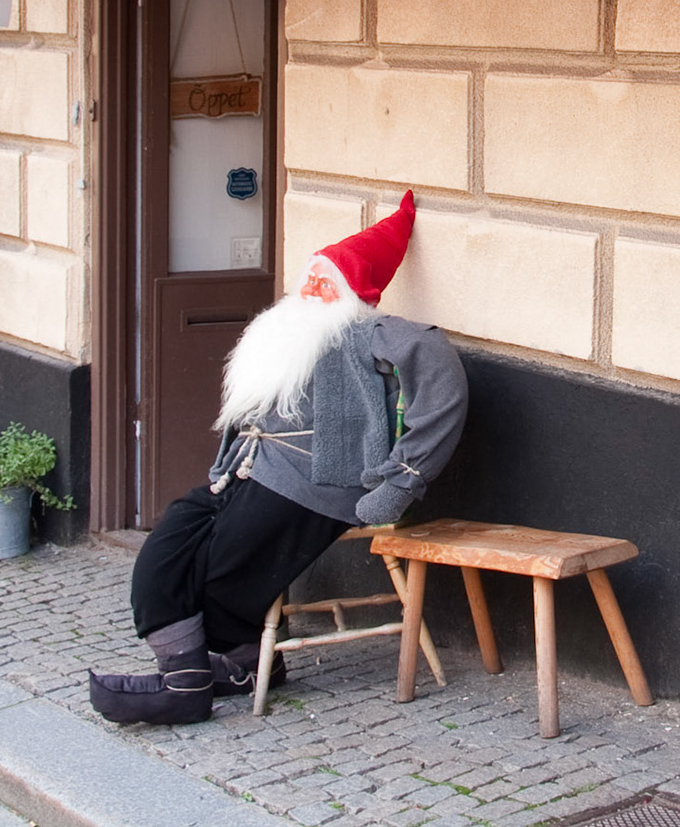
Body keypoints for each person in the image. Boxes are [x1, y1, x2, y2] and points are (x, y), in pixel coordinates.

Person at [88, 190, 468, 726]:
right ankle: (205, 671)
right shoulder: (286, 336)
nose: (310, 291)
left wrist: (400, 481)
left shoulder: (371, 333)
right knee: (168, 545)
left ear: (349, 294)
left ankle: (200, 678)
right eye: (311, 279)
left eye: (325, 283)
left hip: (319, 481)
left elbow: (441, 377)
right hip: (244, 473)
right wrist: (224, 465)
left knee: (221, 565)